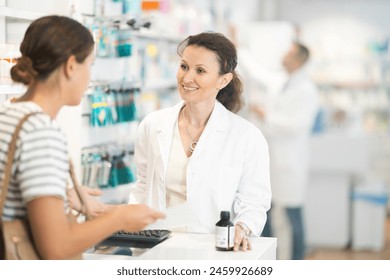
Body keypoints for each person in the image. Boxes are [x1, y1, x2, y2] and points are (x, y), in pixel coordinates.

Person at [0, 15, 164, 260]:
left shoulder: (9, 115)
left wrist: (64, 195)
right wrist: (119, 218)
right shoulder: (41, 131)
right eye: (90, 64)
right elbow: (58, 248)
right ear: (70, 66)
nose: (89, 76)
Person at [128, 32, 272, 251]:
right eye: (184, 66)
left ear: (223, 80)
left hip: (213, 250)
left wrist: (242, 228)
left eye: (200, 71)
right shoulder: (153, 124)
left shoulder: (246, 136)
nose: (186, 78)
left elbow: (254, 201)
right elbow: (142, 185)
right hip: (155, 248)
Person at [250, 42, 319, 259]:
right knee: (265, 211)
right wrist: (237, 46)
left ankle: (297, 261)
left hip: (290, 162)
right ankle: (268, 258)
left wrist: (266, 116)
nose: (283, 55)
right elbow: (257, 72)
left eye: (288, 53)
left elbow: (299, 124)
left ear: (298, 60)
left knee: (292, 214)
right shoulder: (282, 81)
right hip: (273, 159)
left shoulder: (306, 89)